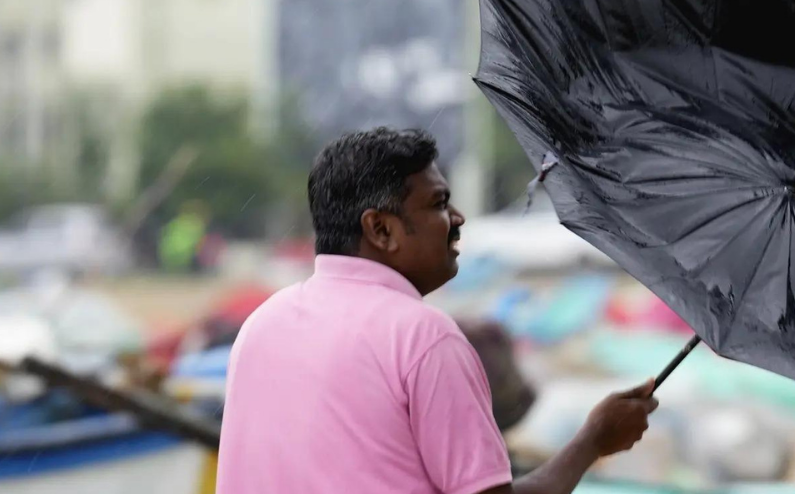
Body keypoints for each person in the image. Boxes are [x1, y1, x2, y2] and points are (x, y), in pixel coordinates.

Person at [216, 127, 658, 494]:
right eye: (438, 204)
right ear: (381, 229)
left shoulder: (261, 324)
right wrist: (592, 440)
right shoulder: (423, 337)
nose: (458, 219)